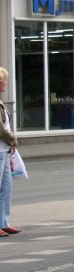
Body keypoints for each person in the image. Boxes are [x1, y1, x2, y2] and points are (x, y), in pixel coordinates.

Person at [0, 67, 20, 237]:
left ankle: (3, 222)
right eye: (3, 81)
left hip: (4, 150)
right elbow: (1, 130)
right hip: (0, 148)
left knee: (6, 187)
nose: (5, 84)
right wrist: (13, 139)